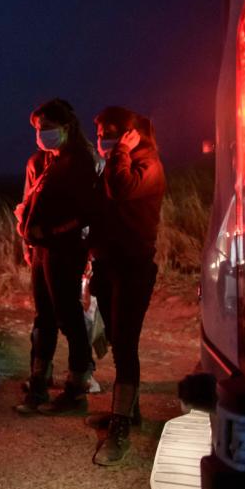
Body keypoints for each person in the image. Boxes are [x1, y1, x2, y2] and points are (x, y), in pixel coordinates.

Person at [88, 106, 165, 466]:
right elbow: (102, 211)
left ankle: (121, 428)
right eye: (100, 133)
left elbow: (121, 191)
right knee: (118, 342)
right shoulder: (113, 163)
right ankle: (128, 412)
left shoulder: (147, 165)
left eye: (110, 133)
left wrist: (120, 152)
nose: (103, 139)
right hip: (107, 266)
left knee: (126, 346)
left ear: (130, 134)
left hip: (133, 268)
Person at [13, 99, 98, 416]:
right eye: (37, 129)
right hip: (41, 249)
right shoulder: (43, 161)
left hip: (64, 249)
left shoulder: (78, 163)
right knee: (44, 314)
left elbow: (85, 213)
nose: (41, 134)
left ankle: (77, 386)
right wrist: (28, 238)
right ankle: (39, 382)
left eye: (47, 128)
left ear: (66, 128)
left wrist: (52, 232)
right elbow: (30, 202)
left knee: (68, 315)